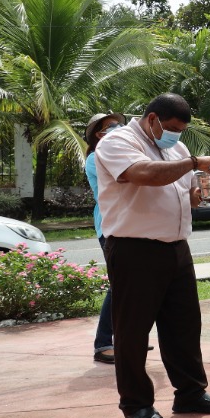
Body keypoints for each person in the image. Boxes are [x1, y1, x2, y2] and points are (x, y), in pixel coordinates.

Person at [95, 93, 210, 418]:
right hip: (134, 249)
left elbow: (186, 194)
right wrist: (194, 163)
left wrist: (202, 192)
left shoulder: (178, 149)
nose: (175, 135)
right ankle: (136, 403)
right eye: (171, 128)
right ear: (153, 118)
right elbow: (144, 174)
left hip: (176, 247)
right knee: (133, 330)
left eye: (181, 130)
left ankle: (190, 393)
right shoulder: (118, 142)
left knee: (184, 325)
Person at [83, 111, 124, 364]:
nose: (118, 127)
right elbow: (123, 180)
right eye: (111, 126)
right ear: (99, 134)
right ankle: (103, 344)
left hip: (125, 225)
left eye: (119, 124)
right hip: (109, 228)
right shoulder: (94, 159)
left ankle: (127, 338)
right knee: (118, 285)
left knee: (131, 286)